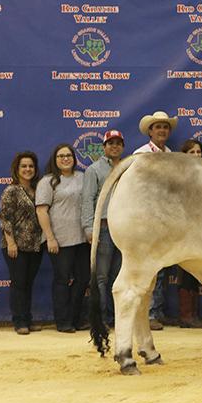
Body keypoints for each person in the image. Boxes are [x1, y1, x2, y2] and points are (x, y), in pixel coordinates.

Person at [36, 144, 89, 333]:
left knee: (83, 279)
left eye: (68, 155)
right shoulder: (48, 181)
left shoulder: (83, 178)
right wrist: (50, 238)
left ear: (74, 158)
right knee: (62, 280)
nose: (65, 158)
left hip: (82, 239)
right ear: (55, 159)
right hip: (59, 240)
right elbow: (41, 211)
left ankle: (75, 318)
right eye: (61, 156)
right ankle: (63, 321)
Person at [134, 110, 178, 330]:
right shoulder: (140, 154)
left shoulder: (171, 154)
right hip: (147, 218)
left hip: (167, 218)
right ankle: (148, 314)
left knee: (163, 268)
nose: (162, 130)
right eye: (158, 127)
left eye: (165, 127)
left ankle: (158, 311)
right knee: (149, 269)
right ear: (150, 131)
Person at [81, 130, 125, 327]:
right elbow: (87, 200)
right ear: (104, 147)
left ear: (122, 146)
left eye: (118, 143)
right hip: (105, 227)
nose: (114, 146)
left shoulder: (127, 167)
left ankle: (117, 319)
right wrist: (90, 228)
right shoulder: (94, 170)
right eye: (110, 143)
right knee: (102, 277)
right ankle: (101, 319)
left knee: (119, 276)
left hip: (124, 229)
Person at [0, 151, 43, 335]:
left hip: (35, 245)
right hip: (15, 246)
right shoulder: (11, 190)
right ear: (17, 169)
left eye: (31, 166)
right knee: (19, 284)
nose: (28, 169)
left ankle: (28, 318)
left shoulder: (37, 189)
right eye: (24, 166)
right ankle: (19, 322)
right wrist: (11, 243)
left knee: (28, 283)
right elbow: (5, 219)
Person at [176, 139, 202, 329]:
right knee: (185, 271)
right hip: (183, 229)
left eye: (199, 152)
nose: (197, 155)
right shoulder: (181, 176)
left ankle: (193, 314)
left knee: (196, 270)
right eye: (192, 153)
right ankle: (186, 315)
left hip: (201, 228)